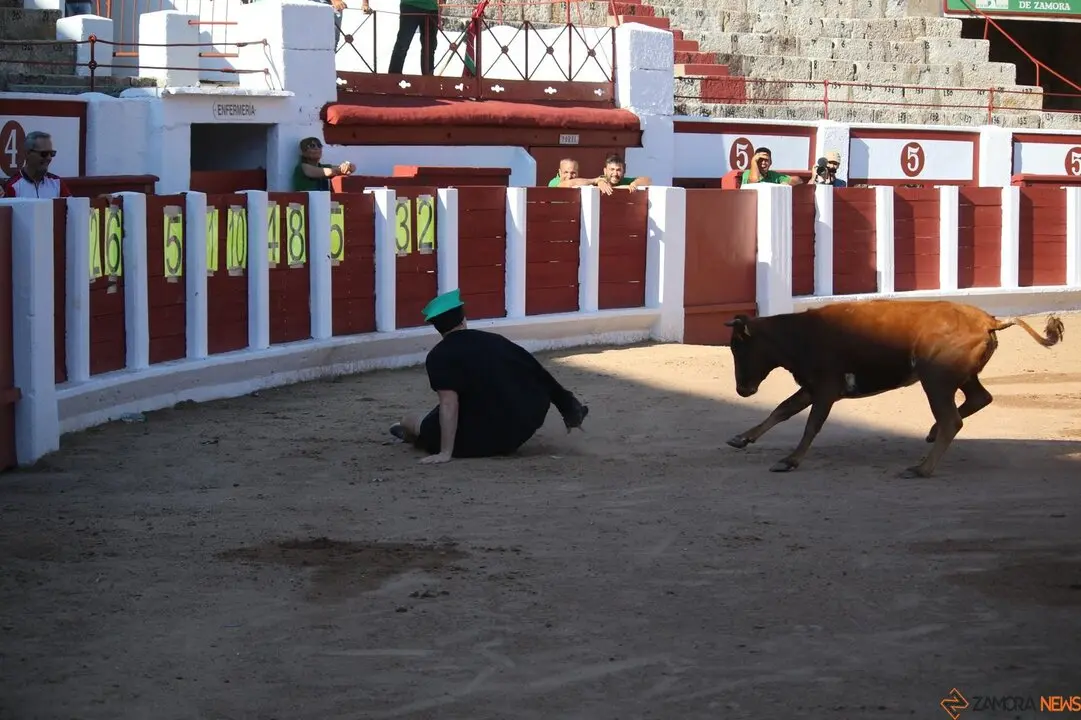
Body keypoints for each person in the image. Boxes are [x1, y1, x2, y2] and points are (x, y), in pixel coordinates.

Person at [390, 289, 590, 464]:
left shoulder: (438, 356)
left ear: (437, 327)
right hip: (520, 429)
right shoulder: (497, 341)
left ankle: (409, 430)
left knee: (411, 420)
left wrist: (445, 453)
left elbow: (449, 403)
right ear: (464, 320)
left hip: (476, 440)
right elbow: (540, 374)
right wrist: (569, 408)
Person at [2, 131, 72, 199]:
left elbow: (72, 209)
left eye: (52, 153)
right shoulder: (12, 186)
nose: (49, 158)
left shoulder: (57, 183)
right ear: (27, 153)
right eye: (44, 154)